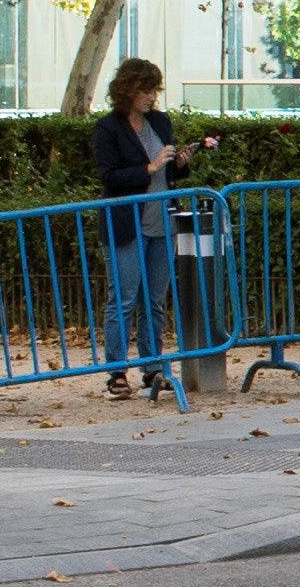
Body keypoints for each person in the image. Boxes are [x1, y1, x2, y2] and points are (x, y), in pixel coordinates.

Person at [90, 59, 210, 399]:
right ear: (128, 91)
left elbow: (169, 175)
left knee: (154, 300)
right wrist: (149, 166)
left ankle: (153, 367)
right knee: (123, 299)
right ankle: (116, 372)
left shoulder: (160, 121)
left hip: (162, 222)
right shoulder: (107, 129)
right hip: (127, 225)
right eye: (145, 91)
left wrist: (179, 163)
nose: (151, 97)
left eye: (154, 90)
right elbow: (110, 177)